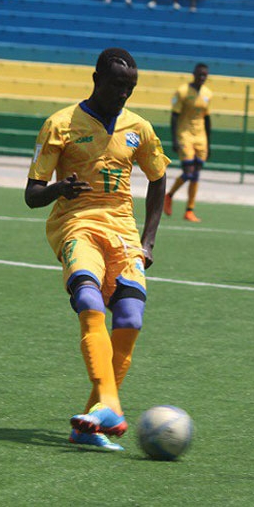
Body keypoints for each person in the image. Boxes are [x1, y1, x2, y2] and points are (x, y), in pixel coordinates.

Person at [24, 48, 170, 452]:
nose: (124, 93)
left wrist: (149, 239)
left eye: (131, 87)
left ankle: (91, 421)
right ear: (95, 79)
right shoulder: (60, 125)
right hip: (77, 225)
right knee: (88, 298)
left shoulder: (140, 128)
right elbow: (32, 195)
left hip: (122, 230)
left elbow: (158, 178)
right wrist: (58, 188)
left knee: (130, 318)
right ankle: (110, 405)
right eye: (117, 85)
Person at [164, 63, 212, 222]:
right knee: (188, 172)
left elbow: (207, 119)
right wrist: (174, 139)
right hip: (185, 135)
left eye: (205, 75)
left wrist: (209, 144)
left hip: (201, 137)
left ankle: (189, 210)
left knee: (196, 174)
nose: (202, 77)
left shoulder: (207, 94)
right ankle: (169, 196)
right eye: (200, 74)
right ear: (194, 74)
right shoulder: (182, 91)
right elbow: (174, 116)